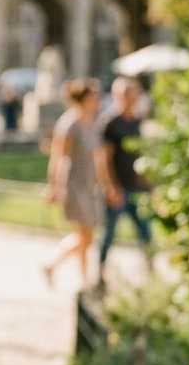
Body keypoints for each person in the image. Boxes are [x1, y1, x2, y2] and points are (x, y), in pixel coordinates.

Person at [44, 79, 102, 287]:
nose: (97, 100)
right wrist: (53, 186)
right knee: (84, 233)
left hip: (89, 184)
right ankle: (85, 281)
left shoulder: (91, 122)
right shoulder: (69, 124)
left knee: (87, 236)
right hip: (74, 185)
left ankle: (52, 264)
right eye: (93, 96)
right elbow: (57, 157)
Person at [96, 77, 153, 283]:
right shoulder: (110, 123)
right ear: (118, 96)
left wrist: (149, 183)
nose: (133, 99)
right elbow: (103, 159)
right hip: (118, 189)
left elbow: (139, 155)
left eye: (135, 94)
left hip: (137, 189)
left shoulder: (137, 121)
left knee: (146, 234)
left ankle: (151, 275)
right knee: (108, 235)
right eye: (129, 95)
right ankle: (100, 274)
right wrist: (111, 187)